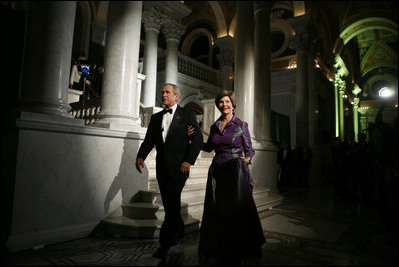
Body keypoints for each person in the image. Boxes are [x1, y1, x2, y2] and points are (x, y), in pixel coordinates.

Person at [189, 90, 265, 264]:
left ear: (233, 104)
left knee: (237, 210)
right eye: (221, 102)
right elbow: (209, 147)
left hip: (235, 171)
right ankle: (218, 245)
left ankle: (240, 246)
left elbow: (250, 148)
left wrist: (248, 158)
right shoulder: (215, 126)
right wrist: (194, 138)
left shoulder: (241, 125)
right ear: (218, 105)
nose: (224, 105)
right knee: (217, 209)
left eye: (227, 101)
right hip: (217, 171)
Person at [135, 83, 203, 260]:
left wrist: (189, 160)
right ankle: (178, 230)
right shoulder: (156, 118)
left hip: (179, 168)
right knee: (170, 204)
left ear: (176, 96)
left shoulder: (188, 114)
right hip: (162, 169)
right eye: (162, 92)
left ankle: (164, 244)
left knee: (171, 205)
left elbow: (197, 140)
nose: (164, 94)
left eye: (167, 92)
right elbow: (149, 140)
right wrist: (141, 156)